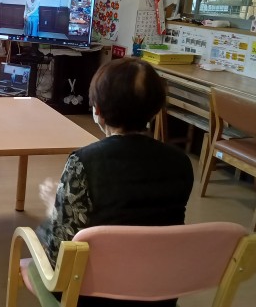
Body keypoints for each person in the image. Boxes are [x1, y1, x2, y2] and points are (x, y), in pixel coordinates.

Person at [36, 57, 194, 307]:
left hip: (91, 294)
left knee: (37, 239)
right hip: (157, 292)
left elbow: (59, 255)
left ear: (97, 111)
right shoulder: (181, 162)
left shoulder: (83, 162)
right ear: (155, 111)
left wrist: (54, 207)